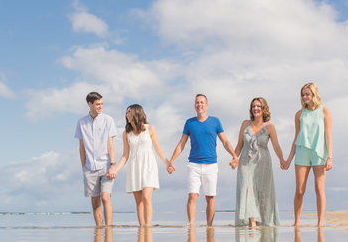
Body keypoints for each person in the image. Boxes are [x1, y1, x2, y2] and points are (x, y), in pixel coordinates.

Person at [167, 94, 239, 226]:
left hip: (211, 165)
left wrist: (234, 155)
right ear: (194, 105)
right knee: (192, 196)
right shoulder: (189, 123)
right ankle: (191, 225)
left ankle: (209, 226)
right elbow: (181, 144)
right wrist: (171, 160)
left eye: (202, 102)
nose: (199, 104)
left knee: (210, 198)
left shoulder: (215, 121)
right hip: (193, 164)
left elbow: (225, 141)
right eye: (197, 102)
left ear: (206, 105)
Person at [109, 104, 169, 226]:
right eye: (126, 113)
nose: (127, 115)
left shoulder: (150, 128)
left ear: (137, 113)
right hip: (134, 167)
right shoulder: (126, 133)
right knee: (139, 202)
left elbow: (157, 148)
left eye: (129, 112)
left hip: (148, 166)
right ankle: (142, 228)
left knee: (146, 197)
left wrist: (168, 163)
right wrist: (115, 169)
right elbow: (125, 155)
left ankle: (148, 225)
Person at [283, 82, 333, 227]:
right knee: (299, 190)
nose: (305, 97)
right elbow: (296, 137)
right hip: (302, 152)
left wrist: (329, 157)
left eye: (307, 94)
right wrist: (288, 159)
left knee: (319, 188)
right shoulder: (299, 114)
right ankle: (297, 222)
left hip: (319, 152)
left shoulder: (325, 111)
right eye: (303, 95)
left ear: (314, 95)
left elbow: (328, 136)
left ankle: (320, 222)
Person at [233, 97, 286, 227]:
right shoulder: (245, 124)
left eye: (258, 106)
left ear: (263, 109)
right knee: (247, 187)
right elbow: (239, 144)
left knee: (263, 191)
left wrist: (282, 160)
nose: (255, 108)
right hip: (246, 162)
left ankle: (262, 221)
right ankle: (252, 222)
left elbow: (276, 146)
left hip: (263, 163)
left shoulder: (269, 127)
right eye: (253, 106)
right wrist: (234, 158)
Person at [75, 91, 118, 227]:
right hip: (89, 167)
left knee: (105, 197)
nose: (100, 106)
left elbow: (110, 144)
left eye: (101, 104)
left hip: (106, 165)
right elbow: (81, 147)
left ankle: (109, 228)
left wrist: (113, 164)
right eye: (98, 104)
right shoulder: (81, 122)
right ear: (90, 104)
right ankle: (99, 229)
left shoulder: (108, 120)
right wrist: (84, 167)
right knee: (95, 203)